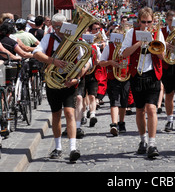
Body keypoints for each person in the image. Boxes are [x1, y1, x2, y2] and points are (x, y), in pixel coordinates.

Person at [33, 13, 90, 162]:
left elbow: (86, 62)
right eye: (55, 26)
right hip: (53, 83)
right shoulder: (48, 38)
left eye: (60, 27)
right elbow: (36, 53)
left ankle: (73, 148)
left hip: (69, 82)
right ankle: (58, 147)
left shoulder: (76, 40)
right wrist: (53, 61)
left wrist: (76, 77)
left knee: (70, 113)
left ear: (66, 26)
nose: (58, 30)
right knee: (56, 115)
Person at [120, 7, 164, 159]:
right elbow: (124, 53)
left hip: (152, 75)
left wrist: (153, 43)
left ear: (153, 21)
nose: (146, 25)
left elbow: (163, 57)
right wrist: (139, 43)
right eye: (143, 22)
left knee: (151, 108)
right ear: (139, 21)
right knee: (140, 110)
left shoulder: (157, 33)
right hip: (136, 75)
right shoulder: (131, 33)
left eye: (149, 22)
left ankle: (152, 143)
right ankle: (143, 140)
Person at [99, 30, 130, 136]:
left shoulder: (128, 48)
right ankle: (114, 124)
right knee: (114, 100)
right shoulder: (109, 47)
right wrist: (110, 62)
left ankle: (121, 122)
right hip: (113, 77)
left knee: (124, 101)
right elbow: (101, 62)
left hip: (126, 77)